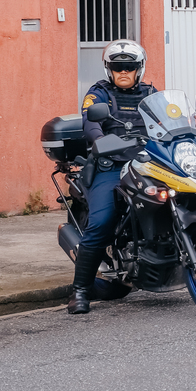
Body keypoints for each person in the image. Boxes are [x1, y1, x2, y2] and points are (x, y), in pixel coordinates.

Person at [70, 39, 157, 315]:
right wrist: (101, 141)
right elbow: (90, 122)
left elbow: (169, 117)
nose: (123, 72)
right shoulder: (99, 94)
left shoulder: (151, 93)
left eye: (129, 67)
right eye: (117, 67)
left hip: (146, 164)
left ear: (138, 69)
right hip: (109, 165)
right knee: (103, 221)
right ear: (109, 69)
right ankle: (80, 291)